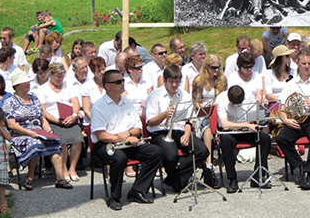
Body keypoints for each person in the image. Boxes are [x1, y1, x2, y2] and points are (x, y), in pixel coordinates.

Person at [91, 70, 163, 210]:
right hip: (106, 145)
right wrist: (120, 137)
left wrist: (129, 134)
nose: (122, 84)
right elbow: (100, 135)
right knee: (119, 158)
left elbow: (137, 128)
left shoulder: (127, 103)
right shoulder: (99, 106)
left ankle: (138, 191)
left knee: (156, 152)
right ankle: (115, 197)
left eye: (122, 81)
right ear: (108, 86)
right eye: (117, 82)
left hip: (127, 143)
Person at [146, 65, 215, 192]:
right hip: (161, 131)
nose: (174, 85)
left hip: (180, 130)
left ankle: (173, 178)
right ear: (165, 80)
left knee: (202, 151)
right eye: (171, 81)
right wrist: (164, 114)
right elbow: (150, 122)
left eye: (177, 81)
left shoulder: (184, 95)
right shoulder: (155, 96)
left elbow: (190, 119)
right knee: (171, 155)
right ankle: (176, 179)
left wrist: (187, 133)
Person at [3, 71, 70, 190]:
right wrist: (29, 133)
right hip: (20, 133)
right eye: (25, 83)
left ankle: (60, 178)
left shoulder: (34, 98)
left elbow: (41, 117)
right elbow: (12, 125)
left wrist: (47, 127)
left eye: (28, 82)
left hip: (38, 131)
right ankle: (30, 176)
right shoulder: (10, 102)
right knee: (35, 144)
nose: (28, 84)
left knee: (56, 143)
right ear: (17, 85)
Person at [276, 48, 310, 190]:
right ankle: (299, 165)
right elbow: (282, 107)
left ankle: (308, 171)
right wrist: (286, 120)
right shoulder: (290, 85)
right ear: (297, 63)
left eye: (309, 64)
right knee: (281, 138)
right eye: (303, 63)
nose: (306, 67)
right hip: (296, 120)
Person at [216, 85, 271, 193]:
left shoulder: (248, 96)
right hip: (230, 130)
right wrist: (244, 125)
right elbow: (225, 124)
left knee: (265, 138)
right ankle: (232, 179)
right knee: (225, 141)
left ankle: (258, 175)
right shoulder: (221, 99)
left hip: (246, 128)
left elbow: (254, 115)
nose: (237, 106)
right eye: (234, 104)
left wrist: (260, 114)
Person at [36, 63, 83, 182]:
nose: (60, 79)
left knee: (77, 138)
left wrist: (74, 115)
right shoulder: (42, 89)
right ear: (50, 75)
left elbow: (75, 102)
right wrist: (56, 120)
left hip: (69, 118)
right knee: (62, 141)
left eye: (62, 76)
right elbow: (43, 110)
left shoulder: (68, 86)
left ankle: (72, 168)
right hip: (54, 120)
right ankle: (64, 169)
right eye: (57, 77)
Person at [191, 54, 226, 174]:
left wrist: (215, 104)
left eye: (218, 67)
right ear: (206, 67)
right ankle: (208, 161)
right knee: (207, 127)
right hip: (203, 112)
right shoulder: (199, 81)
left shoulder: (222, 80)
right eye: (213, 67)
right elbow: (195, 101)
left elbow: (225, 98)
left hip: (218, 110)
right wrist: (203, 106)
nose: (216, 70)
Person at [81, 57, 106, 126]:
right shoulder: (87, 86)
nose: (102, 72)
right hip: (92, 123)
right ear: (93, 72)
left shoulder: (110, 83)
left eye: (103, 69)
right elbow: (86, 110)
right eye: (99, 71)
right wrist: (98, 122)